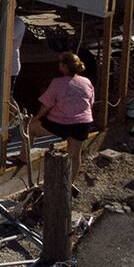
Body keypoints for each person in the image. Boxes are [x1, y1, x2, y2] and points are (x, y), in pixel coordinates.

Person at [31, 53, 97, 187]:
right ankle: (69, 185)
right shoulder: (87, 81)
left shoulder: (57, 83)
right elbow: (90, 103)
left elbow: (46, 105)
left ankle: (23, 157)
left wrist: (35, 118)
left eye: (60, 63)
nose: (58, 64)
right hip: (82, 122)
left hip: (59, 123)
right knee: (75, 155)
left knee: (30, 129)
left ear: (65, 67)